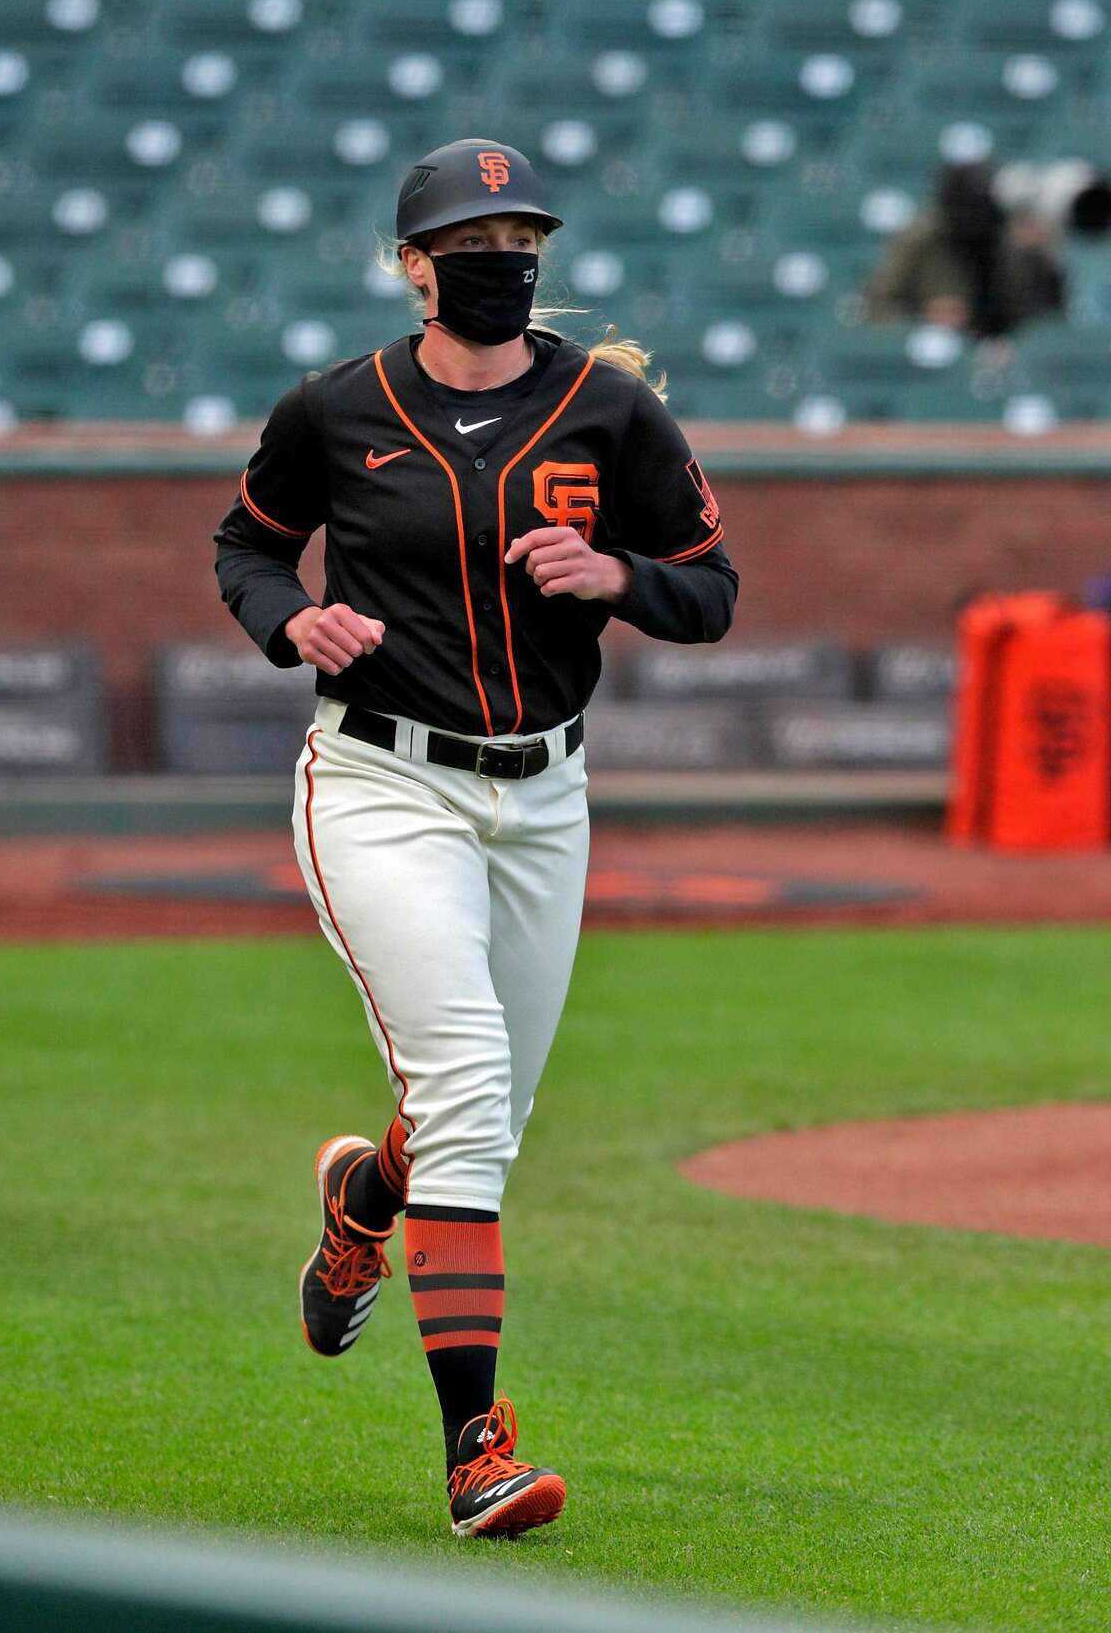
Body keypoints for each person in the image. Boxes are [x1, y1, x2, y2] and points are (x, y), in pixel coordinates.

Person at [214, 138, 738, 1539]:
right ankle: (475, 1452)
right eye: (472, 238)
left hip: (545, 795)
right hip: (383, 782)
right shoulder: (337, 410)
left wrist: (621, 573)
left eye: (521, 237)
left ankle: (359, 1203)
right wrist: (288, 620)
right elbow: (249, 543)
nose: (501, 258)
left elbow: (713, 589)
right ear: (413, 264)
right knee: (465, 1080)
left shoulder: (609, 411)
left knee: (478, 1120)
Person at [865, 161, 1064, 337]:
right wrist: (924, 319)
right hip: (936, 350)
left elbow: (1047, 311)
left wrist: (1040, 256)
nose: (973, 217)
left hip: (1003, 347)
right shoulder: (919, 240)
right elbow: (876, 308)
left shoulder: (1011, 239)